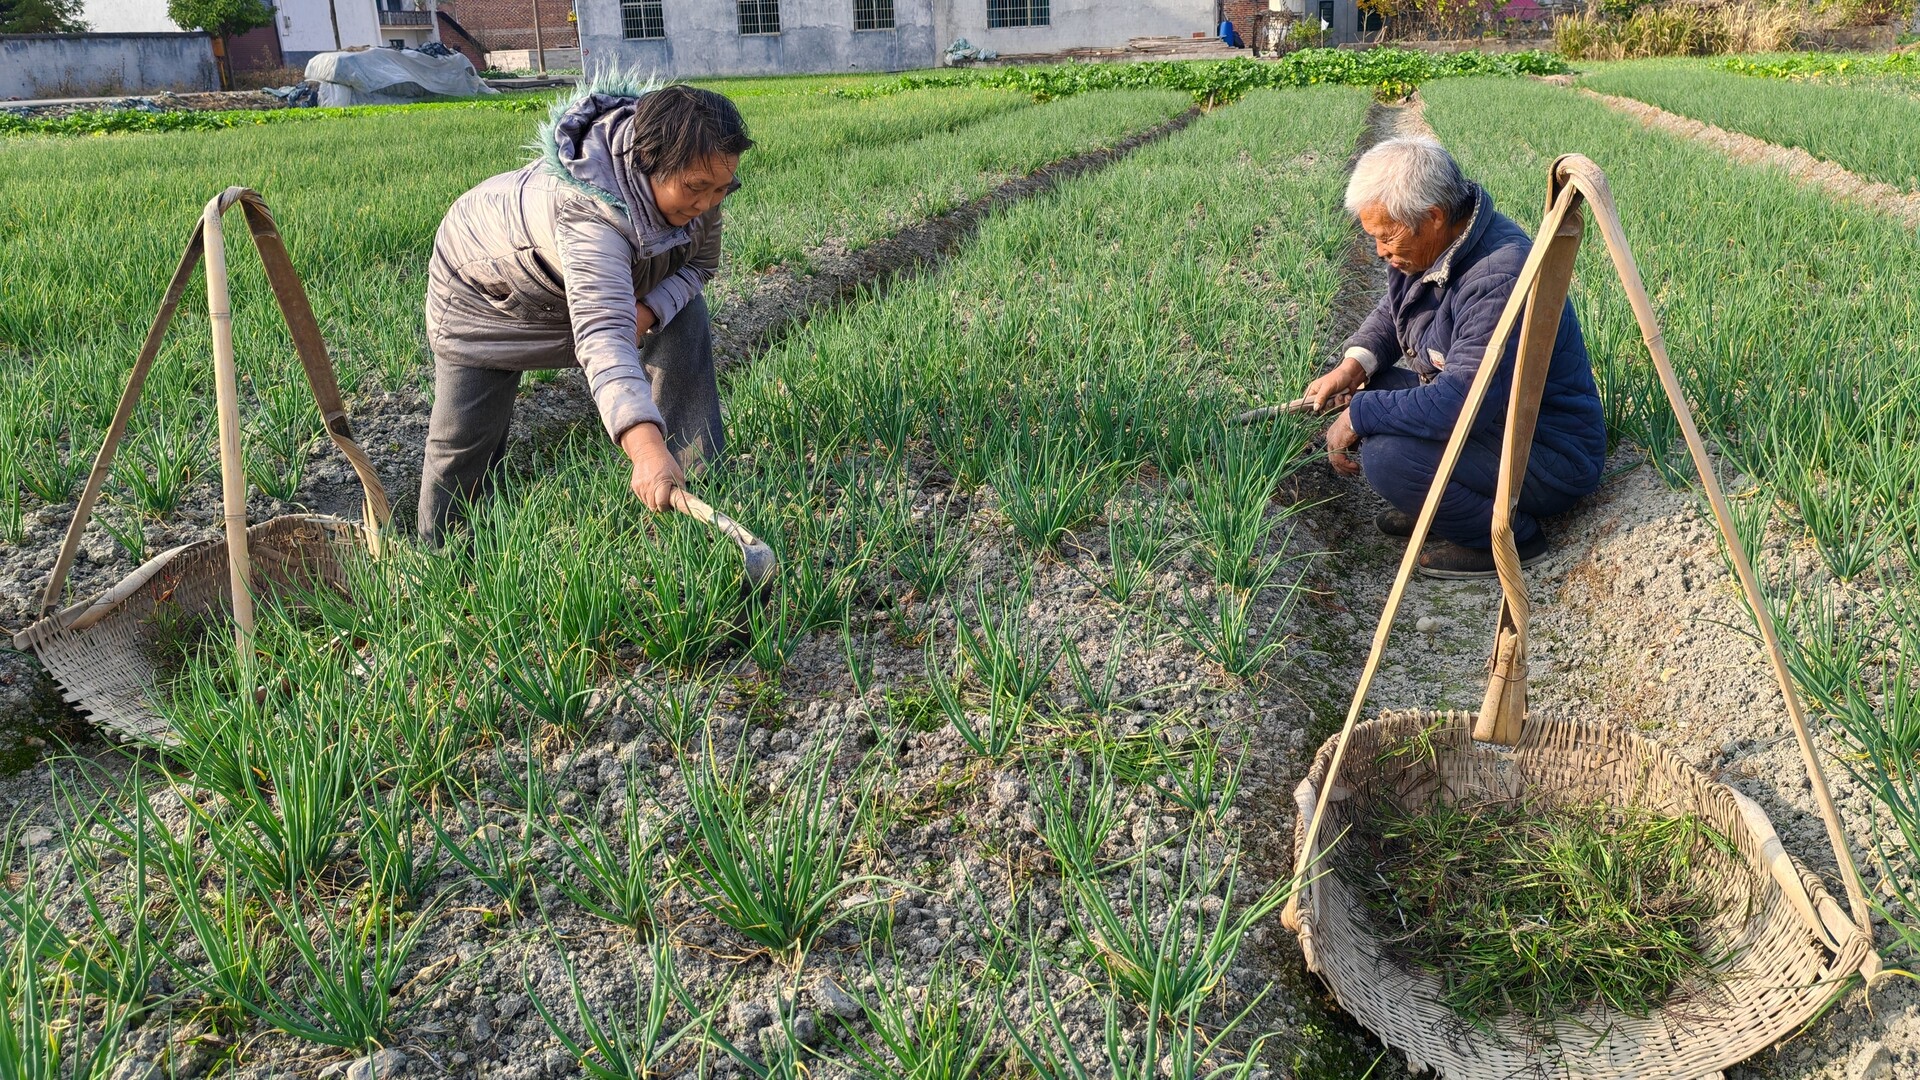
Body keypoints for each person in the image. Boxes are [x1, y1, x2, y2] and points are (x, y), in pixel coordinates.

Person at [418, 80, 751, 545]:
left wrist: (648, 310)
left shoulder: (701, 185)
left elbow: (699, 265)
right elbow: (603, 338)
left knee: (683, 314)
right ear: (647, 161)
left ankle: (696, 497)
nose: (707, 204)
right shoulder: (588, 215)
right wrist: (644, 448)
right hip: (487, 295)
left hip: (599, 282)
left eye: (721, 189)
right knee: (466, 440)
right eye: (696, 188)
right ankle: (443, 559)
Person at [1304, 137, 1606, 579]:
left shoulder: (1499, 273)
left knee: (1388, 456)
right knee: (1375, 388)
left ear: (1432, 217)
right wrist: (1354, 367)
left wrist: (1357, 415)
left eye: (1385, 238)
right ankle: (1439, 503)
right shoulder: (1431, 245)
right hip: (1494, 418)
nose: (1380, 252)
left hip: (1545, 450)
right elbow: (1396, 309)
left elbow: (1462, 404)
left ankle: (1510, 537)